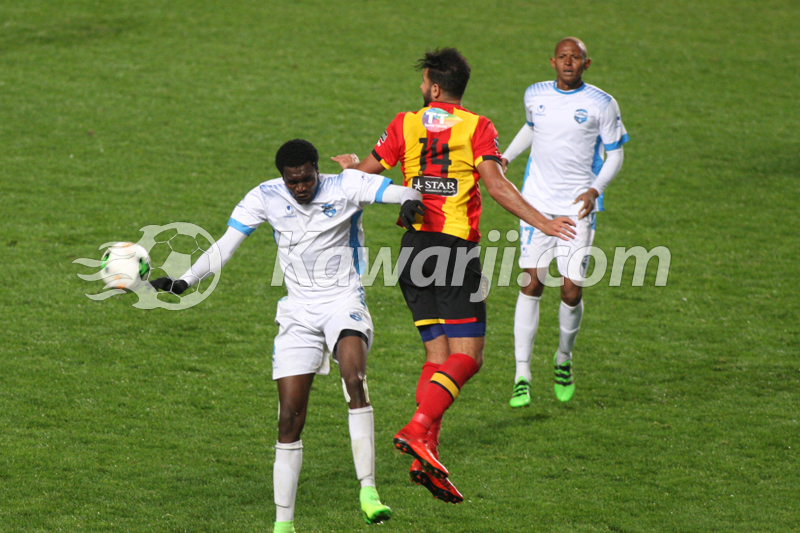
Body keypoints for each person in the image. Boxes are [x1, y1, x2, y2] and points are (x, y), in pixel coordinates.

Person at [333, 48, 575, 504]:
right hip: (454, 252)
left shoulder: (404, 123)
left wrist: (347, 169)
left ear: (434, 87)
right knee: (470, 357)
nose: (420, 88)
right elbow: (496, 185)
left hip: (412, 253)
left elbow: (362, 178)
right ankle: (417, 429)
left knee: (438, 356)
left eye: (423, 81)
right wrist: (544, 223)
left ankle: (426, 453)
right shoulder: (478, 127)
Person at [151, 139, 423, 533]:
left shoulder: (346, 185)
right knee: (289, 419)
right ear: (283, 177)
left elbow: (403, 191)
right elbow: (225, 245)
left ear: (316, 170)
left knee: (354, 378)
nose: (300, 188)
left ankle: (368, 490)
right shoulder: (264, 196)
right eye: (292, 181)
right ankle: (284, 524)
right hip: (297, 313)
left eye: (307, 179)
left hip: (343, 301)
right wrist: (185, 281)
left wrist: (409, 203)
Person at [501, 37, 629, 408]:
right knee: (531, 283)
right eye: (562, 57)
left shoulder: (602, 103)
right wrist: (505, 157)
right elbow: (531, 127)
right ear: (552, 62)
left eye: (576, 57)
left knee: (571, 290)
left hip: (576, 208)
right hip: (537, 204)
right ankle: (522, 374)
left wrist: (595, 189)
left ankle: (563, 358)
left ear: (587, 64)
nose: (568, 62)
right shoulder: (535, 94)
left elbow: (616, 154)